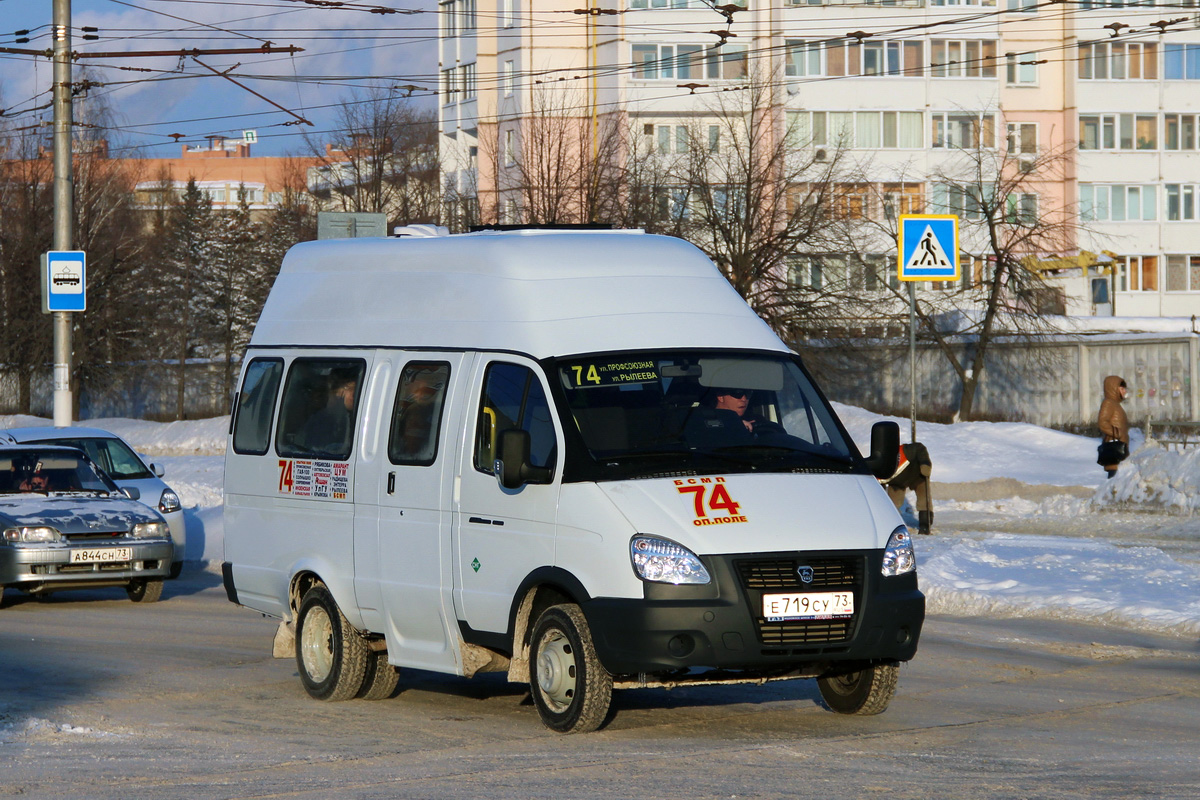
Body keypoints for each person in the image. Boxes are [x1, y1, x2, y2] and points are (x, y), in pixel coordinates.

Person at [882, 442, 934, 535]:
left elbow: (919, 447)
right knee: (892, 504)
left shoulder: (906, 451)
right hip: (897, 483)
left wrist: (925, 462)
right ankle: (892, 525)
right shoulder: (881, 472)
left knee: (923, 500)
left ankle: (925, 524)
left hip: (918, 476)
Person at [302, 371, 358, 457]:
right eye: (352, 391)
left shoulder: (357, 418)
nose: (354, 397)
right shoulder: (320, 422)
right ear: (338, 393)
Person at [1097, 375, 1129, 479]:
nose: (1124, 391)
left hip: (1120, 446)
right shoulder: (1108, 403)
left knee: (1117, 479)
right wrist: (1118, 433)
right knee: (1114, 478)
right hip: (1114, 448)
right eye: (1122, 389)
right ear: (1114, 389)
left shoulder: (1115, 404)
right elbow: (1102, 422)